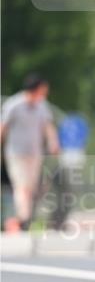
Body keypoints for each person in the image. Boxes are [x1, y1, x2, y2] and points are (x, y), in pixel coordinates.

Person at [0, 73, 59, 230]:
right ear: (36, 88)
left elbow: (48, 126)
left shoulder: (42, 106)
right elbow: (3, 127)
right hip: (15, 153)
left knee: (31, 187)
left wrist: (53, 143)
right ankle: (24, 219)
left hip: (34, 153)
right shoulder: (13, 104)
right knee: (21, 185)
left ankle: (22, 217)